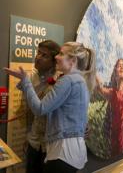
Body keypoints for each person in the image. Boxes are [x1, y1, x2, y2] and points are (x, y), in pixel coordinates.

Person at [4, 42, 96, 173]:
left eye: (61, 54)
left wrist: (25, 82)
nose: (38, 57)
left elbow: (40, 109)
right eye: (38, 53)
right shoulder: (79, 80)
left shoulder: (66, 80)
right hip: (49, 145)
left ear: (73, 61)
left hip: (60, 150)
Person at [24, 40, 60, 173]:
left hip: (51, 144)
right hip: (34, 140)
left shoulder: (61, 80)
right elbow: (28, 110)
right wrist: (27, 136)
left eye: (44, 55)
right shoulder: (31, 77)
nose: (38, 57)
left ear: (54, 61)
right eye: (38, 52)